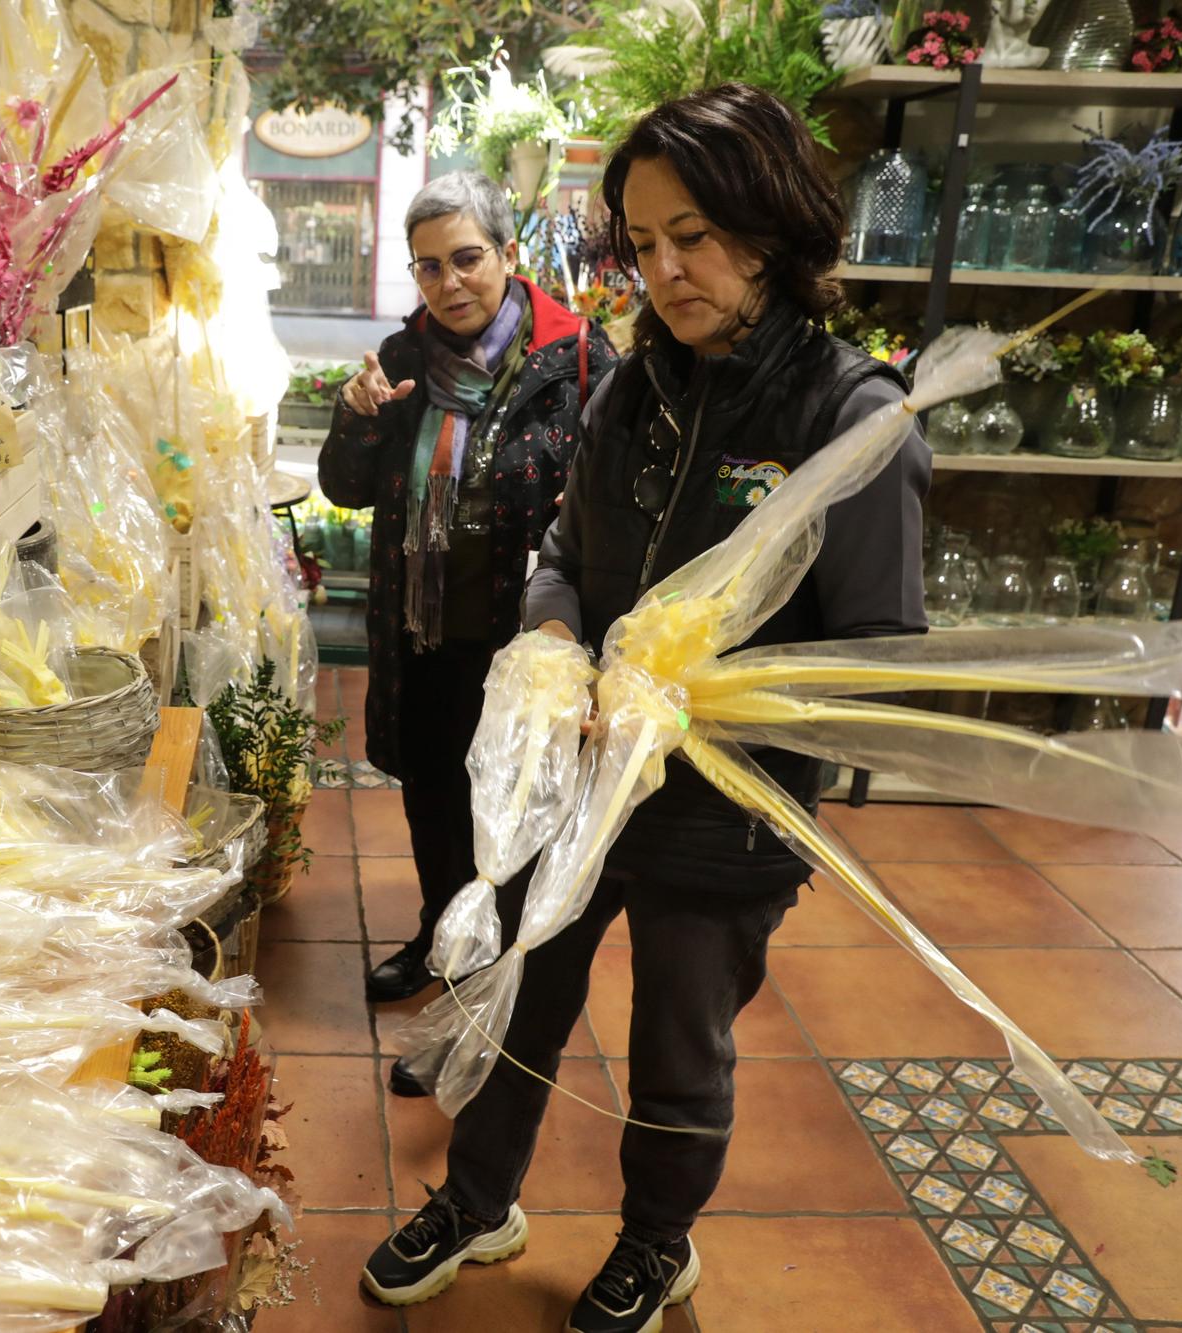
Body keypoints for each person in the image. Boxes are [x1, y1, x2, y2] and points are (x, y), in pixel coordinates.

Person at [359, 85, 929, 1333]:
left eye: (692, 237)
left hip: (721, 809)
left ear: (769, 227)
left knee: (680, 1046)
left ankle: (656, 1242)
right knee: (517, 989)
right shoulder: (633, 389)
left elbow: (877, 657)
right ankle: (478, 1196)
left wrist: (700, 706)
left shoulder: (847, 419)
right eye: (641, 241)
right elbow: (565, 547)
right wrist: (554, 634)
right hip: (580, 776)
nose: (661, 269)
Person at [318, 171, 616, 1037]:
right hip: (423, 632)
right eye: (428, 267)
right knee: (435, 799)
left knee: (513, 808)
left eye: (467, 259)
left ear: (510, 254)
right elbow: (346, 488)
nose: (449, 283)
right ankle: (437, 937)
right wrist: (357, 416)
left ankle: (491, 982)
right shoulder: (404, 359)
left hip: (520, 641)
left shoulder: (580, 363)